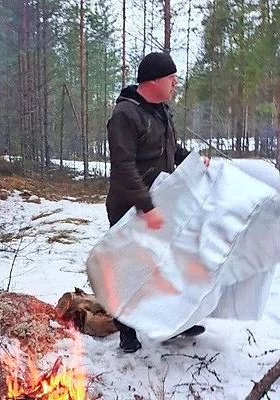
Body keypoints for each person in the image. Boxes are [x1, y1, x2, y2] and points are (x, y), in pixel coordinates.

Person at [106, 52, 209, 353]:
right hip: (129, 206)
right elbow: (123, 168)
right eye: (171, 78)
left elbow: (170, 149)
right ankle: (127, 331)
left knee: (171, 262)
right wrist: (145, 207)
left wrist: (192, 160)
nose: (176, 83)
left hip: (162, 200)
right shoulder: (125, 115)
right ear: (152, 80)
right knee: (130, 267)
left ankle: (174, 321)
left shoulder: (161, 109)